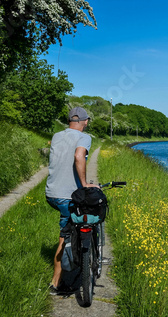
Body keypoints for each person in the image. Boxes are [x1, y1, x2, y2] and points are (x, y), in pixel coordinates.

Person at [45, 106, 98, 295]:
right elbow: (78, 156)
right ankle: (56, 283)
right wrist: (84, 184)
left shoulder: (58, 135)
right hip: (67, 196)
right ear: (84, 121)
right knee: (65, 236)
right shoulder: (84, 137)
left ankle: (75, 258)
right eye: (87, 121)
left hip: (51, 193)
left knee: (70, 229)